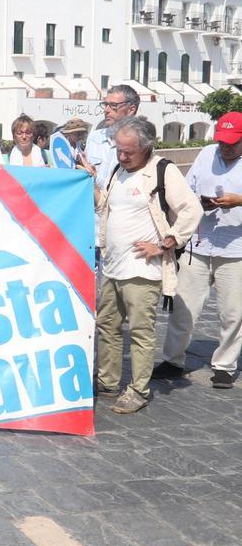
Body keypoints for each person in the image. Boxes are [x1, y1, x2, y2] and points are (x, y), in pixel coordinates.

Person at [95, 116, 202, 413]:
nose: (122, 156)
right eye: (119, 149)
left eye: (128, 151)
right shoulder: (118, 170)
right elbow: (106, 207)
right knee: (107, 326)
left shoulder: (162, 171)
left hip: (141, 269)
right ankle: (107, 382)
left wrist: (166, 243)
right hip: (113, 266)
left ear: (146, 147)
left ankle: (138, 390)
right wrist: (90, 182)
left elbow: (192, 210)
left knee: (141, 332)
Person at [154, 111, 242, 389]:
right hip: (199, 243)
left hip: (236, 249)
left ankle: (224, 365)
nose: (226, 147)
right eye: (222, 141)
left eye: (232, 143)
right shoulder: (206, 154)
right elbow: (186, 190)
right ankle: (173, 359)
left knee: (233, 313)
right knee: (183, 306)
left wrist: (239, 201)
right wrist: (199, 203)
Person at [85, 85, 140, 188]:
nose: (106, 110)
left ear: (131, 110)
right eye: (106, 104)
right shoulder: (94, 137)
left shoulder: (140, 144)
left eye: (113, 105)